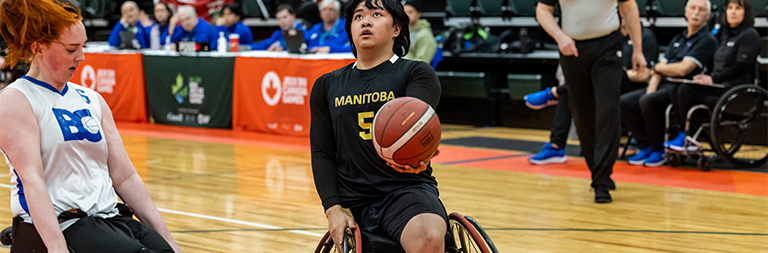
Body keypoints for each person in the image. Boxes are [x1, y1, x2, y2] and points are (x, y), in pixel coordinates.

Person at [0, 0, 182, 252]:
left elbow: (125, 176)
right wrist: (56, 247)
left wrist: (168, 239)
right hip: (67, 224)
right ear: (38, 47)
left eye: (82, 46)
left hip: (110, 218)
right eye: (71, 49)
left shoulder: (92, 99)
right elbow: (32, 181)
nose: (82, 56)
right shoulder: (16, 100)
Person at [310, 0, 446, 252]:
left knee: (427, 237)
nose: (366, 21)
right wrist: (333, 209)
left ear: (396, 28)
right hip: (353, 200)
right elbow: (322, 152)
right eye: (358, 17)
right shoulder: (326, 86)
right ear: (350, 28)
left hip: (405, 191)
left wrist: (422, 153)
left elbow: (419, 126)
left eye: (376, 14)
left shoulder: (416, 73)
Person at [537, 0, 647, 203]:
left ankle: (602, 179)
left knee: (608, 109)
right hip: (572, 49)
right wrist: (559, 36)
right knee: (582, 114)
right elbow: (543, 11)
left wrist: (638, 50)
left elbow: (629, 7)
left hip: (608, 46)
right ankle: (597, 169)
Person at [525, 17, 659, 164]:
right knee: (575, 91)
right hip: (606, 87)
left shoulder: (645, 37)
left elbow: (645, 74)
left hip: (630, 88)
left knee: (603, 78)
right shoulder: (613, 37)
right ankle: (556, 146)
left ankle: (554, 93)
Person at [620, 0, 717, 167]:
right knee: (624, 102)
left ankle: (659, 150)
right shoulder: (678, 38)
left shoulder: (707, 40)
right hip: (663, 85)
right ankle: (645, 146)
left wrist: (658, 68)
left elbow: (682, 69)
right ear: (685, 12)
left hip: (684, 90)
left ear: (707, 16)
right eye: (692, 8)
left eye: (701, 10)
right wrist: (651, 86)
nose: (695, 13)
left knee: (648, 101)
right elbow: (658, 71)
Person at [665, 0, 760, 151]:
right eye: (730, 8)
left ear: (746, 12)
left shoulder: (750, 35)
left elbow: (742, 66)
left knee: (685, 90)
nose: (733, 12)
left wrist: (712, 79)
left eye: (738, 8)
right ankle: (683, 133)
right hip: (718, 85)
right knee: (677, 87)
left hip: (736, 89)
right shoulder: (723, 35)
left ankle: (686, 135)